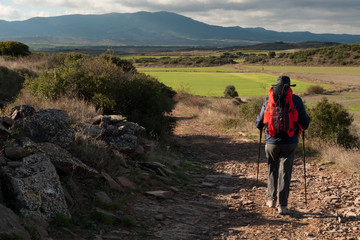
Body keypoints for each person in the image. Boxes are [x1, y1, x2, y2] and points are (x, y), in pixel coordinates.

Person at [255, 76, 310, 214]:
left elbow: (259, 122)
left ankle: (270, 200)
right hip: (290, 142)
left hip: (271, 141)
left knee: (272, 169)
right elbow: (305, 121)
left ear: (276, 86)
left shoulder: (269, 99)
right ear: (290, 86)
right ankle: (282, 205)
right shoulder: (296, 100)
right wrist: (298, 129)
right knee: (285, 172)